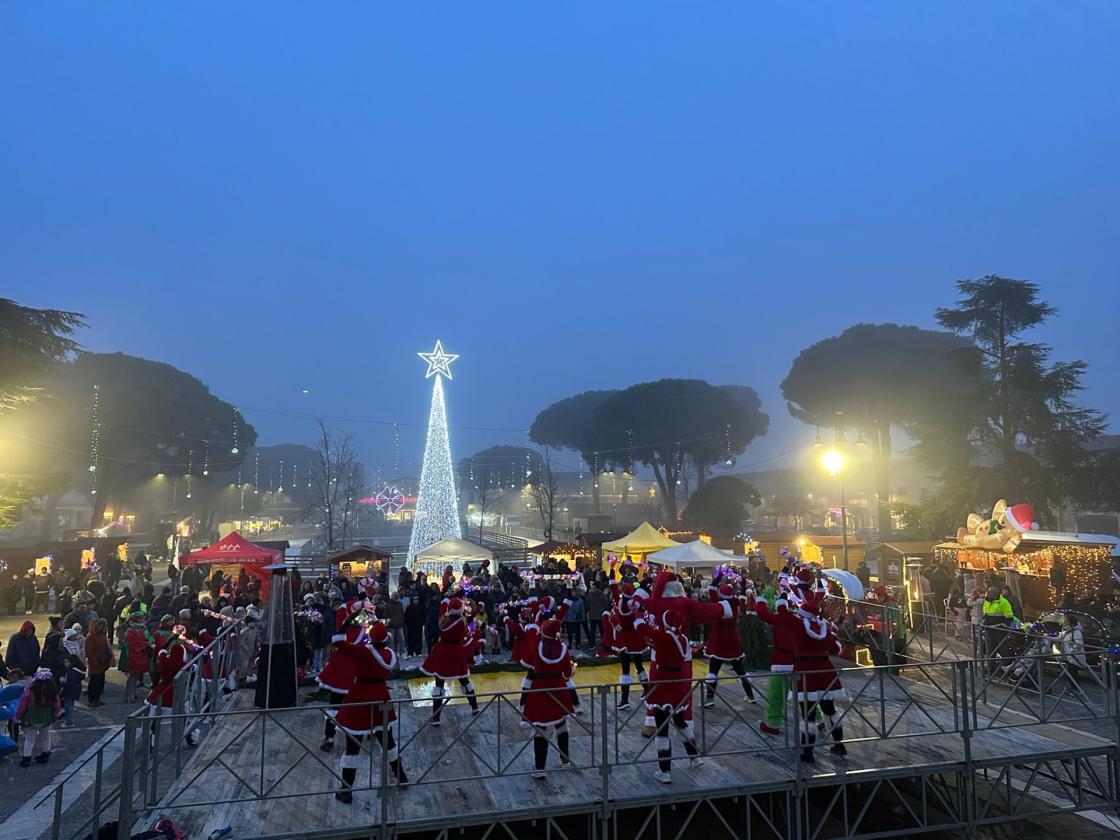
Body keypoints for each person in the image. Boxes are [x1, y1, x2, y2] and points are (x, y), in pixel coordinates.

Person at [330, 620, 408, 803]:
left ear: (371, 638)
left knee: (353, 747)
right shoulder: (389, 654)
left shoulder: (363, 652)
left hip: (360, 698)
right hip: (381, 696)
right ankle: (402, 777)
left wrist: (348, 621)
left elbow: (338, 641)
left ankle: (346, 790)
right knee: (388, 742)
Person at [633, 608, 702, 784]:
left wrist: (637, 610)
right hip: (677, 685)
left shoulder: (662, 637)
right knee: (680, 722)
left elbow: (640, 626)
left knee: (662, 730)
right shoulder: (684, 639)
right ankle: (694, 756)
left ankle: (665, 771)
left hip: (662, 685)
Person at [789, 594, 846, 762]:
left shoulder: (797, 627)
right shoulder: (824, 629)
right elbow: (835, 650)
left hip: (805, 672)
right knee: (830, 710)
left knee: (808, 714)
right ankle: (839, 744)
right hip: (825, 671)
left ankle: (808, 752)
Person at [520, 619, 575, 779]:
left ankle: (540, 768)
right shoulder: (563, 649)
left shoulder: (537, 646)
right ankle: (565, 760)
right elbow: (568, 674)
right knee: (561, 724)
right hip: (558, 688)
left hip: (540, 689)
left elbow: (530, 633)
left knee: (541, 727)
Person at [420, 597, 480, 724]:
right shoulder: (462, 621)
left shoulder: (444, 620)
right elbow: (467, 632)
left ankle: (436, 717)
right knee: (464, 680)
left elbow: (442, 616)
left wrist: (445, 602)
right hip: (456, 652)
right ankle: (474, 706)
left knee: (439, 683)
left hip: (442, 651)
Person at [702, 582, 757, 708]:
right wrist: (743, 584)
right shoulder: (735, 603)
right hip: (732, 637)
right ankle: (750, 695)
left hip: (718, 638)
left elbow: (711, 590)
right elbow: (743, 597)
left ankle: (709, 698)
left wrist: (718, 578)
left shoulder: (718, 603)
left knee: (713, 670)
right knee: (739, 669)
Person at [14, 668, 61, 766]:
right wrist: (57, 712)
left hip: (32, 716)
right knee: (46, 736)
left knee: (30, 738)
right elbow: (56, 702)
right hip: (46, 715)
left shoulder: (30, 690)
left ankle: (26, 758)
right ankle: (45, 754)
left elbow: (22, 705)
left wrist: (18, 717)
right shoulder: (52, 690)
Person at [124, 612, 153, 702]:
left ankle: (132, 694)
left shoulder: (140, 630)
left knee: (135, 676)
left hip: (139, 656)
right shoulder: (130, 631)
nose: (143, 621)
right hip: (133, 656)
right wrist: (146, 644)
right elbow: (134, 643)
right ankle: (130, 696)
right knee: (132, 677)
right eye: (141, 619)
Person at [59, 627, 86, 727]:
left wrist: (63, 682)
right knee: (69, 705)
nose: (75, 638)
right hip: (73, 690)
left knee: (68, 706)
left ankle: (69, 722)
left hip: (70, 691)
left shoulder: (72, 672)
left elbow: (69, 683)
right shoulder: (66, 647)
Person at [85, 618, 113, 706]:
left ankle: (97, 699)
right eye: (100, 625)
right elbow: (89, 651)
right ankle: (92, 700)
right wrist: (95, 662)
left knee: (100, 682)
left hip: (102, 662)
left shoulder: (102, 635)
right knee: (94, 682)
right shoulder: (91, 636)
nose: (102, 627)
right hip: (95, 663)